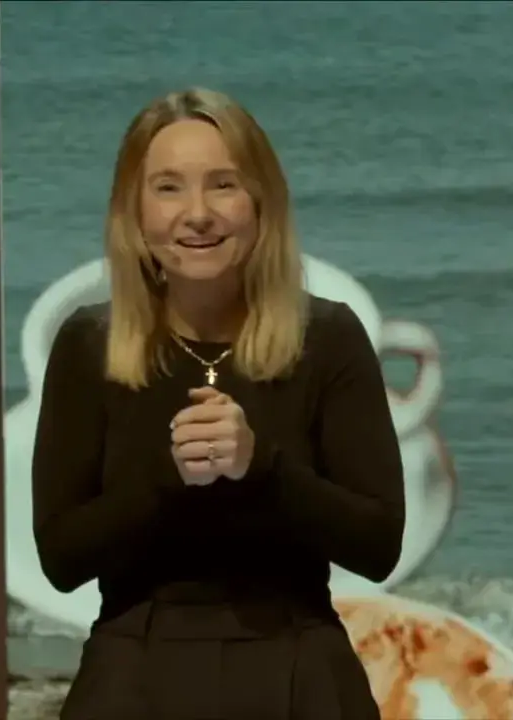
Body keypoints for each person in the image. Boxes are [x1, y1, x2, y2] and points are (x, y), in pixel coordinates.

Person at [31, 87, 406, 719]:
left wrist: (264, 469)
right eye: (169, 187)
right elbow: (62, 559)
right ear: (134, 212)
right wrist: (164, 478)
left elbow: (377, 545)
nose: (197, 214)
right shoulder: (86, 344)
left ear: (262, 204)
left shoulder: (330, 337)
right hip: (136, 665)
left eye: (223, 185)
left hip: (298, 663)